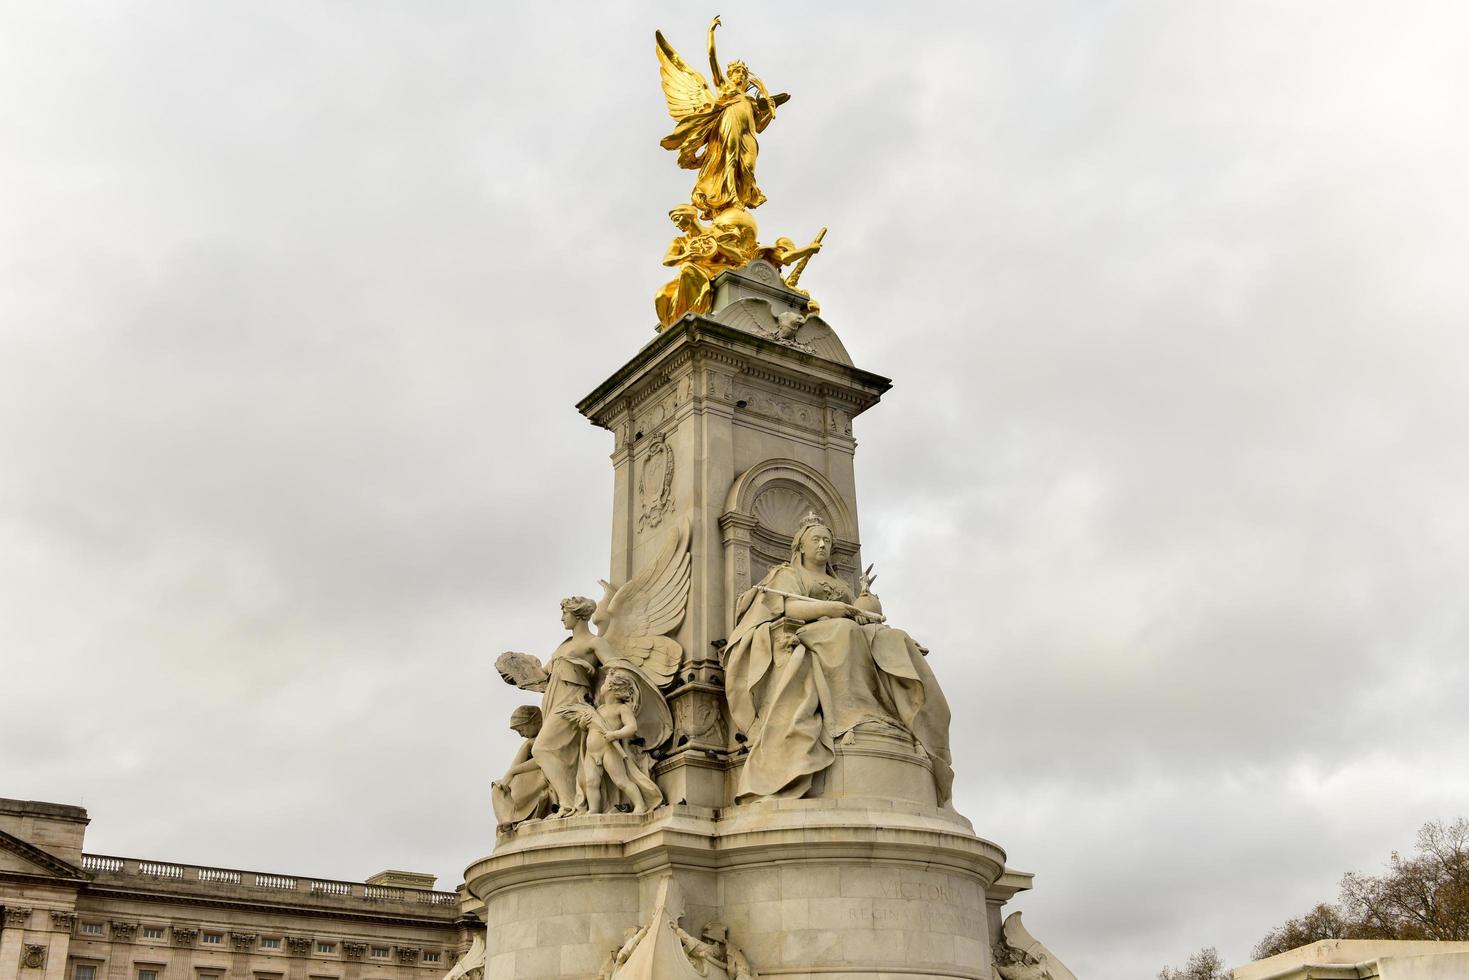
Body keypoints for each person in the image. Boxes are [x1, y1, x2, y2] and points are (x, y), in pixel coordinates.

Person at [722, 514, 954, 804]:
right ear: (801, 547)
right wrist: (831, 610)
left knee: (896, 639)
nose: (822, 545)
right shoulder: (788, 575)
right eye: (815, 540)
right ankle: (852, 715)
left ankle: (901, 719)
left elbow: (858, 614)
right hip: (807, 631)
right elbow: (788, 606)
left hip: (846, 630)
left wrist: (867, 607)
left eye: (827, 541)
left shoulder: (840, 584)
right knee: (844, 632)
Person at [530, 596, 617, 817]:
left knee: (541, 748)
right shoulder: (564, 646)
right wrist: (520, 673)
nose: (562, 618)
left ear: (577, 615)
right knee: (561, 753)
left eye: (565, 614)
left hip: (572, 703)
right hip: (553, 700)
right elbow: (543, 675)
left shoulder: (594, 643)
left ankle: (569, 804)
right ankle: (569, 802)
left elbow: (617, 668)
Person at [559, 671, 663, 814]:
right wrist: (583, 724)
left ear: (613, 689)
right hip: (591, 752)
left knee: (621, 781)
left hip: (609, 750)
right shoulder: (600, 709)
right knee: (591, 782)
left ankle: (640, 804)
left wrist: (615, 734)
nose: (602, 686)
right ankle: (594, 809)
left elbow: (632, 727)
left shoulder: (621, 709)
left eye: (605, 683)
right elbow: (589, 727)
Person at [490, 705, 550, 829]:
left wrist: (512, 772)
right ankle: (507, 821)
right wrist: (526, 745)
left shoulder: (550, 734)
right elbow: (515, 766)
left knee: (513, 785)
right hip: (533, 776)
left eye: (521, 730)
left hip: (547, 774)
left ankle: (516, 818)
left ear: (536, 722)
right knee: (498, 787)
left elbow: (543, 759)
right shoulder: (531, 741)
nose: (521, 735)